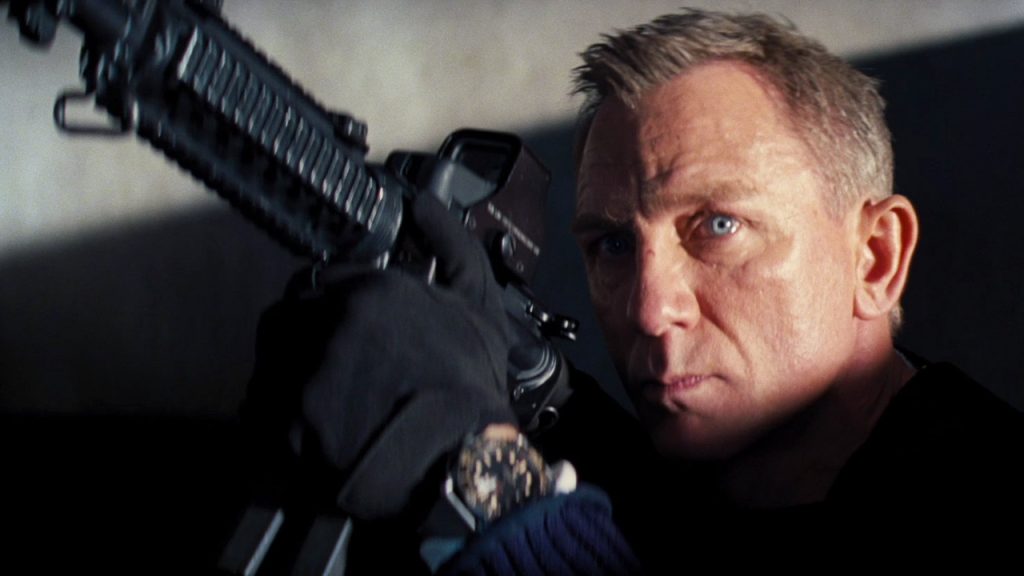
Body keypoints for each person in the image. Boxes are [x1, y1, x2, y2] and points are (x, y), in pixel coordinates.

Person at [244, 8, 1024, 574]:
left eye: (718, 226)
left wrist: (481, 475)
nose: (650, 311)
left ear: (876, 258)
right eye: (613, 245)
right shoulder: (673, 486)